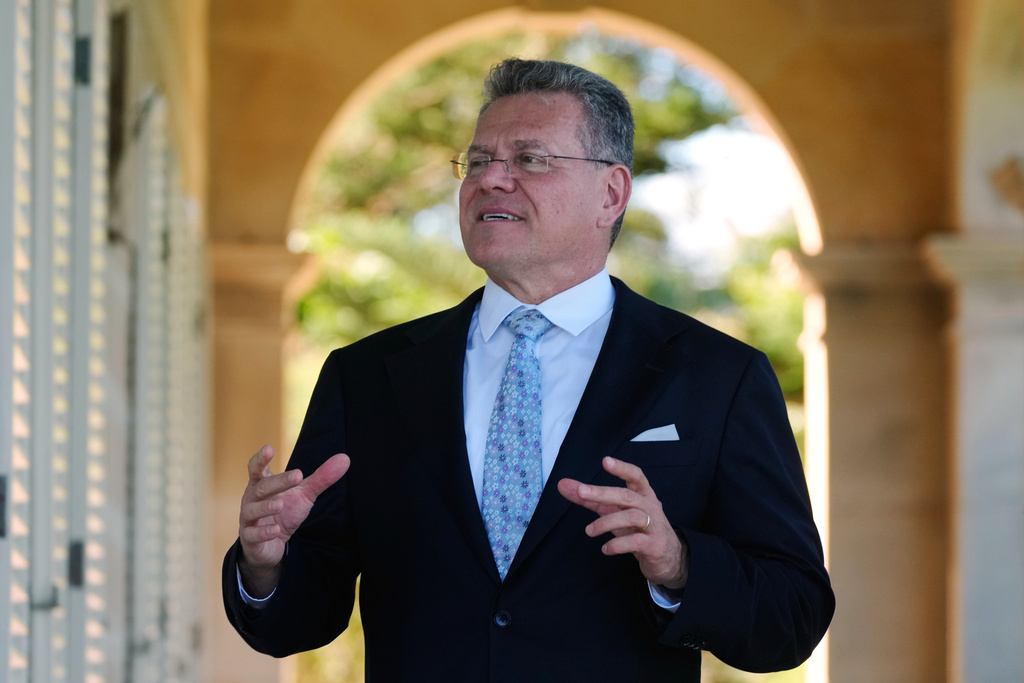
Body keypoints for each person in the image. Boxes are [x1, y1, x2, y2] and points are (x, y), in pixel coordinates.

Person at [223, 58, 834, 682]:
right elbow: (301, 617)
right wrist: (265, 565)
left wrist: (679, 565)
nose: (492, 179)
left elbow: (792, 616)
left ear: (611, 194)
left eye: (530, 159)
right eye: (478, 161)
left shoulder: (717, 377)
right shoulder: (367, 376)